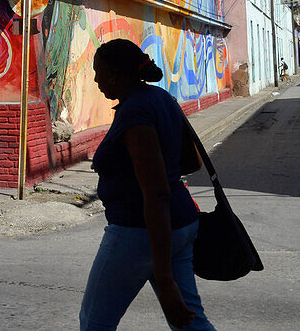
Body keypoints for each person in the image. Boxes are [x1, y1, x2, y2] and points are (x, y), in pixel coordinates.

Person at [80, 39, 215, 331]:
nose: (96, 79)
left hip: (138, 232)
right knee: (190, 322)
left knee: (94, 322)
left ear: (115, 74)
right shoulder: (161, 98)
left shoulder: (134, 113)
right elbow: (193, 162)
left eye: (98, 71)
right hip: (180, 226)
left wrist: (164, 281)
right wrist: (159, 170)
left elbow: (155, 193)